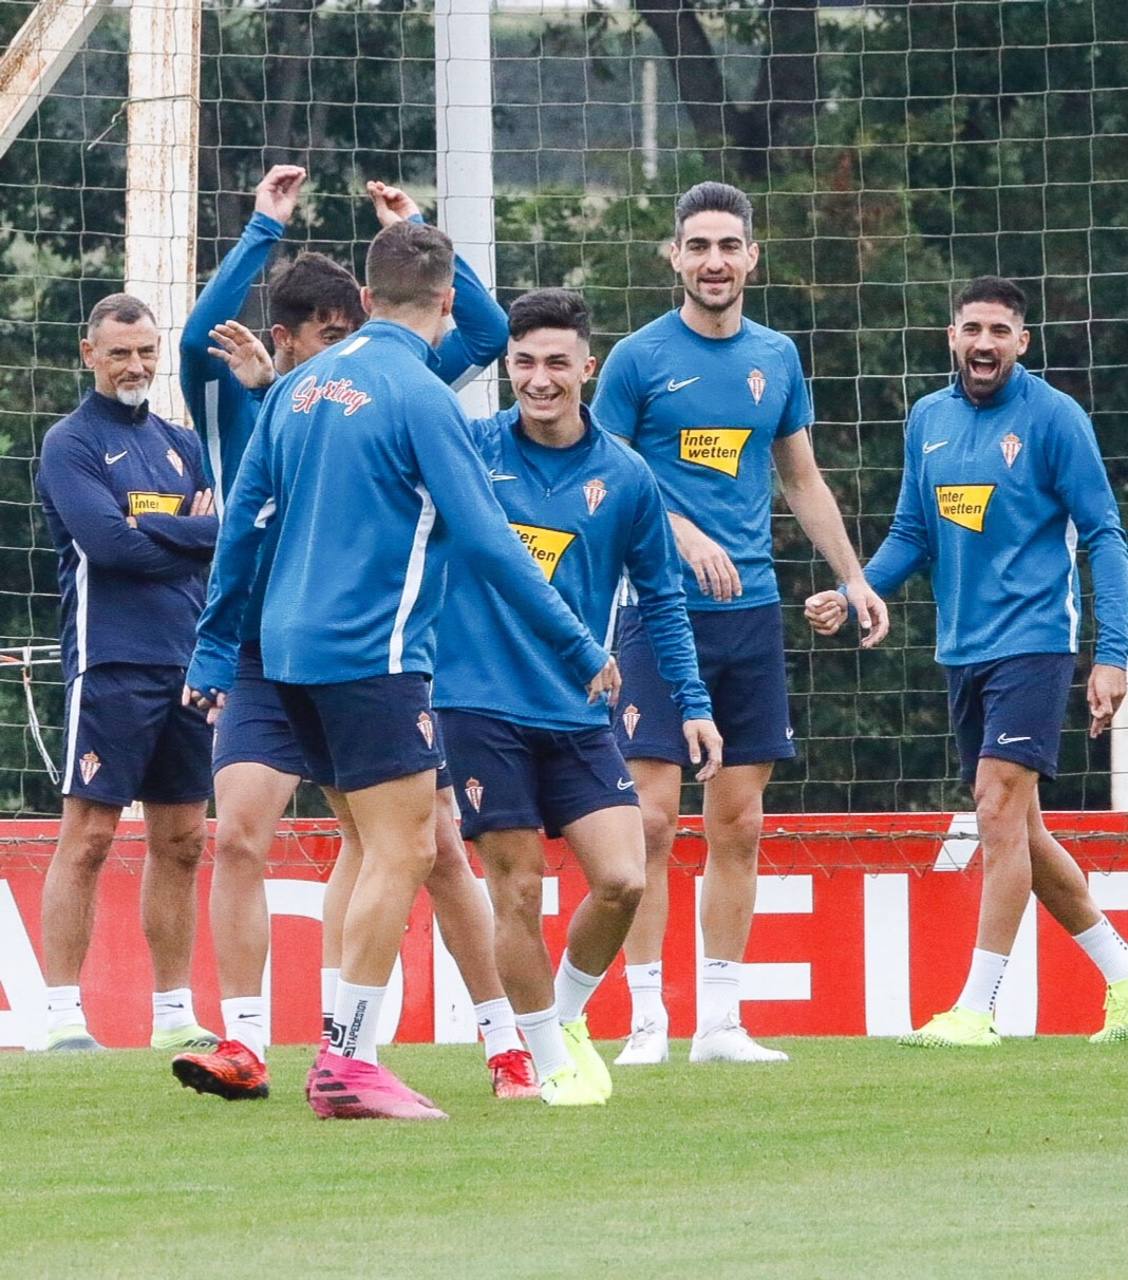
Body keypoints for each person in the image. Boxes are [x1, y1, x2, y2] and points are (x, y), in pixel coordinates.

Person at [185, 221, 617, 1121]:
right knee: (408, 848)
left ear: (368, 301)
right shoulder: (425, 400)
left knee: (371, 844)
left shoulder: (297, 390)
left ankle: (364, 1047)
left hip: (287, 655)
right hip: (371, 656)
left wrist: (216, 646)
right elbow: (494, 547)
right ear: (448, 301)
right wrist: (580, 645)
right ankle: (345, 1062)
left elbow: (241, 527)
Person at [592, 181, 888, 1066]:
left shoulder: (777, 357)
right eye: (698, 246)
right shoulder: (637, 360)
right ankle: (647, 1018)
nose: (714, 261)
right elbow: (602, 468)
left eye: (729, 245)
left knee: (741, 821)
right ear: (673, 258)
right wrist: (674, 531)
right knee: (650, 818)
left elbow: (799, 478)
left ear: (752, 257)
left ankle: (720, 1021)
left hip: (751, 613)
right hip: (655, 610)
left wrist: (854, 577)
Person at [806, 275, 1128, 1048]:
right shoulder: (930, 418)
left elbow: (1107, 534)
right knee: (1021, 826)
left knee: (994, 808)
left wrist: (1113, 655)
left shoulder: (1054, 419)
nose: (983, 343)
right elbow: (914, 532)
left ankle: (976, 1009)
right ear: (951, 336)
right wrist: (853, 592)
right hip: (964, 650)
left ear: (1022, 341)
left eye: (999, 331)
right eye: (970, 328)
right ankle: (1123, 977)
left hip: (1036, 641)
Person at [434, 289, 723, 1104]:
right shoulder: (470, 450)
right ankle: (544, 1066)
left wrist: (693, 702)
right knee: (518, 888)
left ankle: (556, 1020)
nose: (540, 379)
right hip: (477, 701)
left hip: (576, 709)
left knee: (625, 879)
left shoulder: (627, 476)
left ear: (587, 368)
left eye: (557, 362)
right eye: (523, 362)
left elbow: (661, 597)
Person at [35, 294, 220, 1052]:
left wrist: (159, 527)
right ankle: (58, 1017)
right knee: (89, 837)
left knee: (180, 840)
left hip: (187, 662)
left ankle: (174, 1013)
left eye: (145, 350)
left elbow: (224, 536)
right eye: (119, 353)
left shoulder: (181, 441)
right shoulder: (70, 443)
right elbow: (107, 549)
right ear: (89, 355)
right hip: (110, 660)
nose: (135, 365)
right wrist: (189, 531)